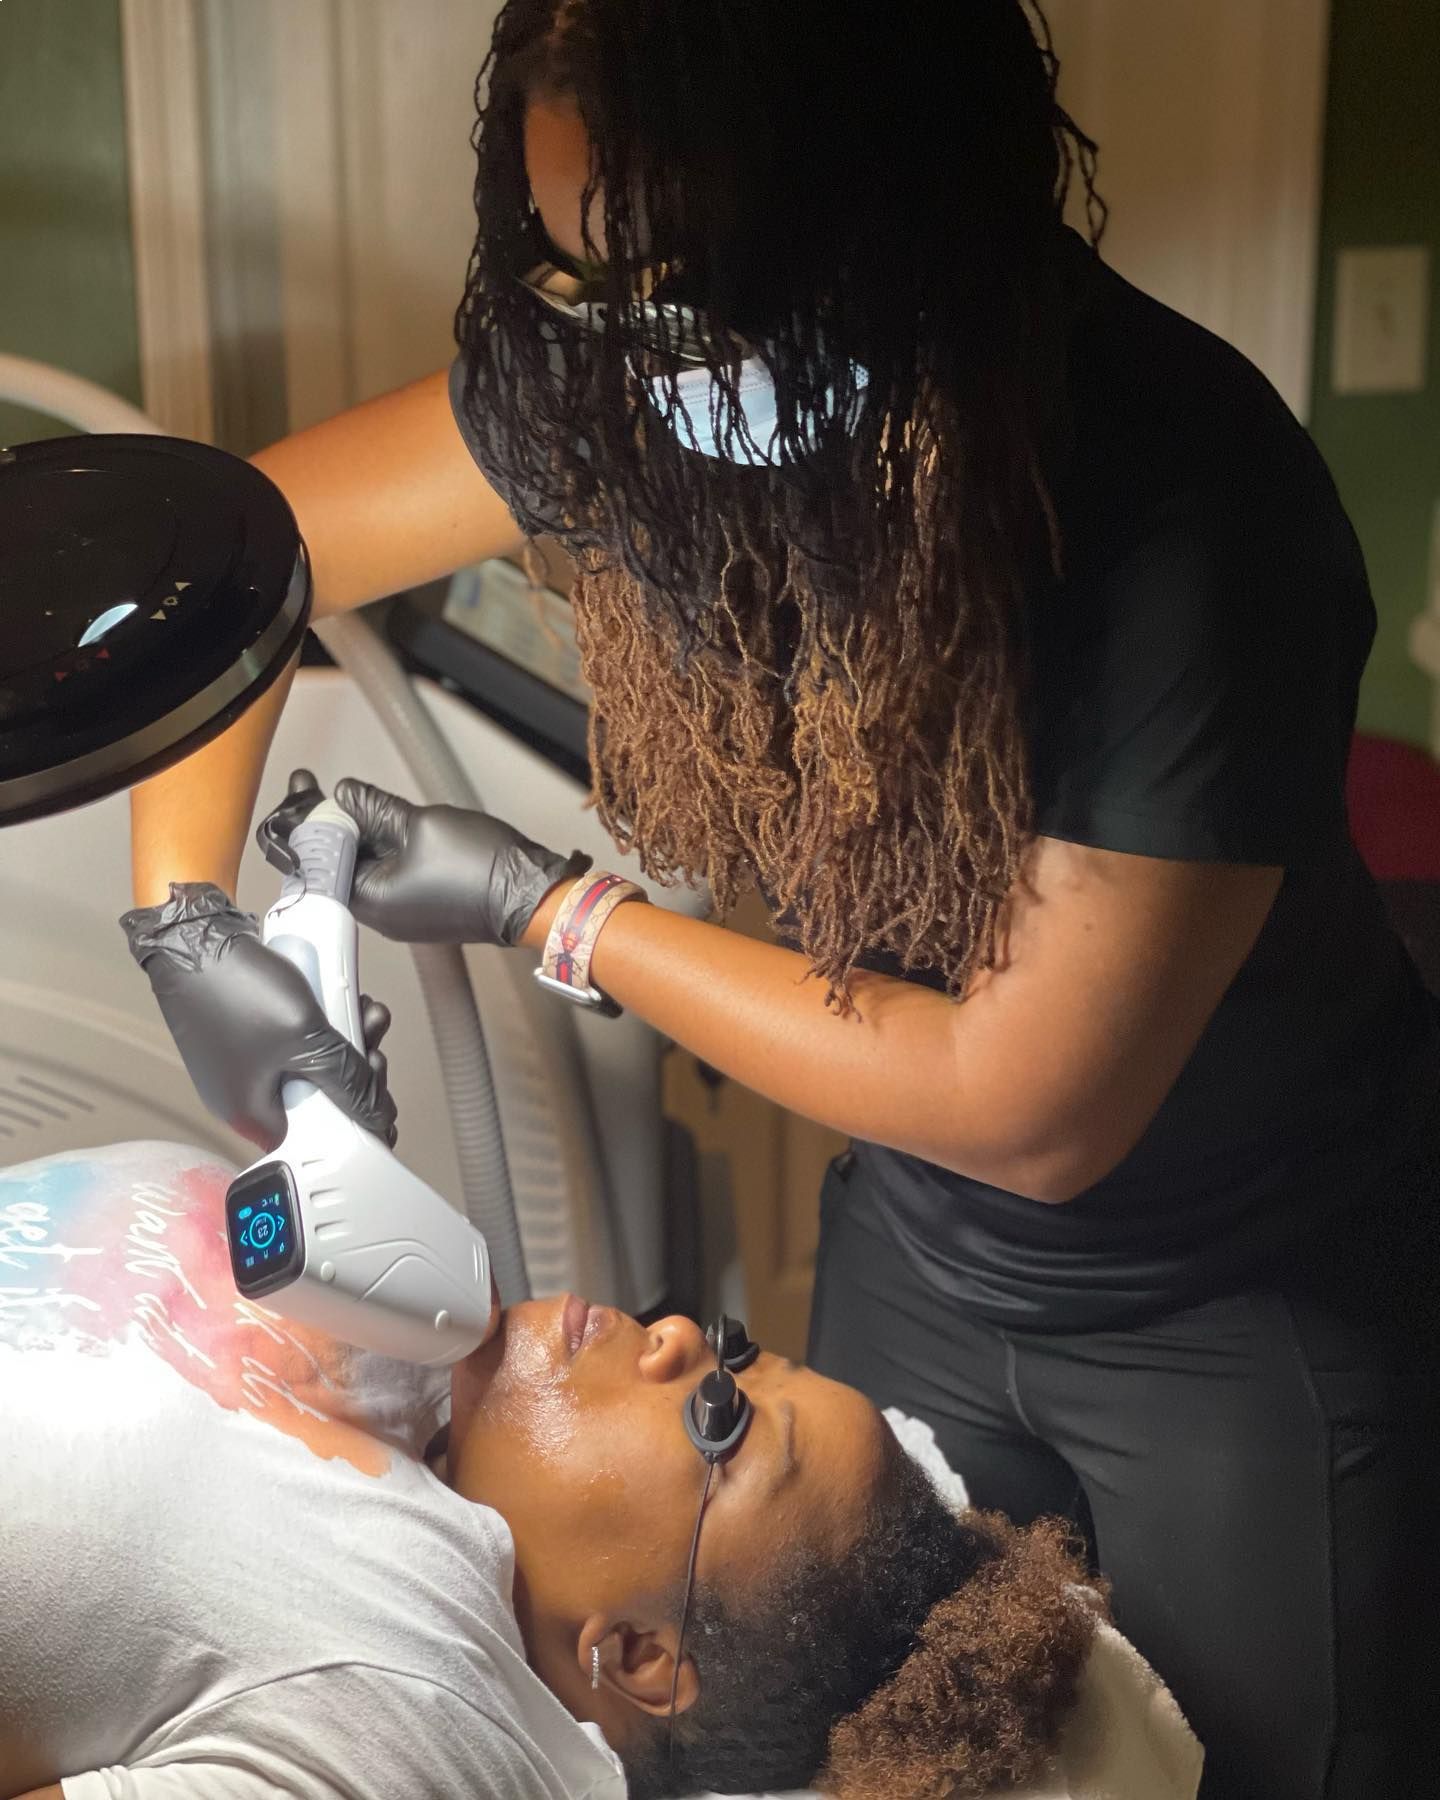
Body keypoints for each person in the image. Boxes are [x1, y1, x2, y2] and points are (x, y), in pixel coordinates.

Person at [123, 3, 1440, 1796]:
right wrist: (182, 915)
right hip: (925, 1228)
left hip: (1232, 1275)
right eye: (578, 277)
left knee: (1285, 1759)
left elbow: (1029, 1103)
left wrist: (551, 910)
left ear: (893, 205)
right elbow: (243, 549)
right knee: (827, 1735)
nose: (626, 345)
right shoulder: (618, 376)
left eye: (680, 276)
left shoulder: (1189, 507)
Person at [0, 1140, 1150, 1800]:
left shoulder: (417, 1726)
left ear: (641, 1656)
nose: (685, 1335)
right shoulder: (418, 1349)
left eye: (719, 1416)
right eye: (738, 1350)